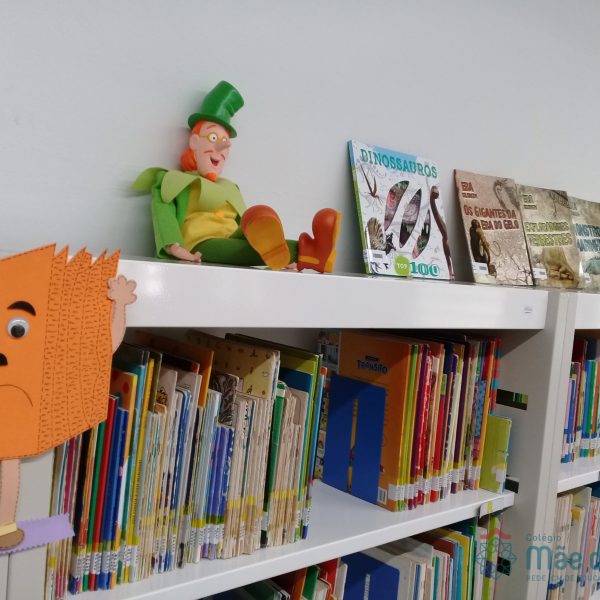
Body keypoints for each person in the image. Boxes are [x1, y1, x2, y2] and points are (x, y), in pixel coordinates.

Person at [133, 81, 341, 273]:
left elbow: (243, 225)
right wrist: (174, 246)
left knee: (255, 221)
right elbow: (163, 214)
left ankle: (300, 250)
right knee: (244, 250)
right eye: (213, 137)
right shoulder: (173, 181)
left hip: (233, 236)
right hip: (202, 243)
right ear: (194, 142)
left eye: (225, 142)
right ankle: (310, 252)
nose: (222, 146)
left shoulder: (230, 188)